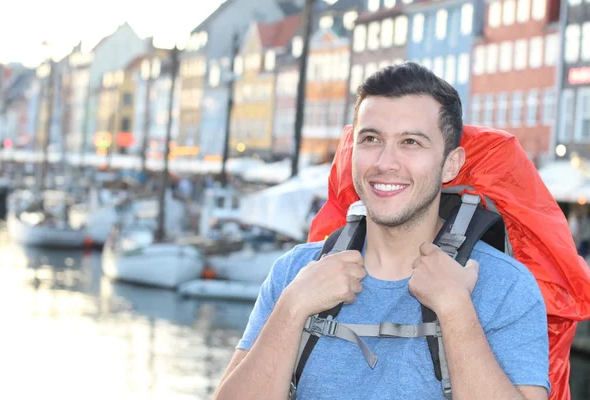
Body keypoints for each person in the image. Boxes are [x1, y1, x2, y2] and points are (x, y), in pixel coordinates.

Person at [213, 63, 550, 400]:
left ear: (451, 164)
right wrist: (292, 307)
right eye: (371, 139)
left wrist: (455, 310)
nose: (385, 162)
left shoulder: (504, 285)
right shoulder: (294, 272)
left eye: (411, 142)